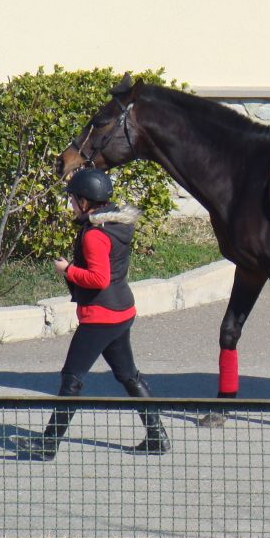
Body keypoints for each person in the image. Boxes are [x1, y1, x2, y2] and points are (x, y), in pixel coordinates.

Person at [14, 169, 170, 461]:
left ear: (85, 201)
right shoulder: (115, 224)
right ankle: (157, 437)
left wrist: (67, 270)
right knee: (127, 375)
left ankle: (49, 444)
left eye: (73, 199)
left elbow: (98, 279)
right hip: (122, 310)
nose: (71, 204)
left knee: (71, 378)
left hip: (101, 316)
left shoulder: (94, 235)